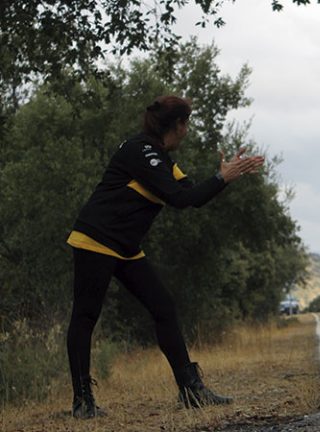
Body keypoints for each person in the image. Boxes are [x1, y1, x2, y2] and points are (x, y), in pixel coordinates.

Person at [65, 95, 263, 419]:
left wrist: (225, 176)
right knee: (86, 316)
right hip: (96, 239)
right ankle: (82, 402)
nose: (188, 130)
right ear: (179, 125)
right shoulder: (140, 151)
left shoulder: (162, 159)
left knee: (163, 308)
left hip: (126, 247)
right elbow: (179, 199)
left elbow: (192, 196)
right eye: (188, 123)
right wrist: (222, 178)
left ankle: (191, 391)